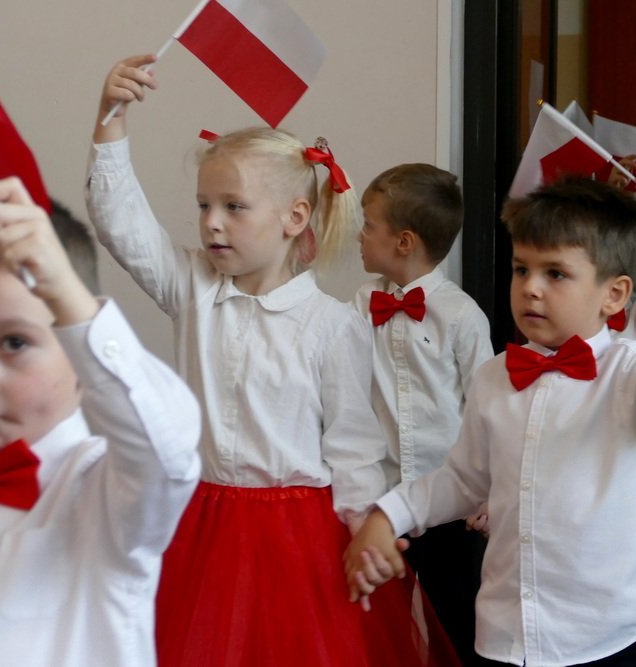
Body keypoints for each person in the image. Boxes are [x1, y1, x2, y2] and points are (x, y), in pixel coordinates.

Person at [85, 54, 452, 666]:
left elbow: (354, 446)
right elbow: (121, 224)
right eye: (204, 206)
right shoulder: (193, 288)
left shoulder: (332, 326)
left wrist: (366, 530)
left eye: (233, 207)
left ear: (294, 218)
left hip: (298, 539)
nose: (211, 223)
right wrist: (111, 118)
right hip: (202, 523)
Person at [344, 176, 636, 667]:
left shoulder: (634, 369)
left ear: (614, 294)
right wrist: (389, 515)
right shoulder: (495, 379)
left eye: (556, 274)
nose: (530, 287)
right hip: (507, 634)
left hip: (612, 636)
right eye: (521, 269)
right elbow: (464, 479)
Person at [0, 177, 201, 666]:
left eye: (15, 343)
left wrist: (65, 292)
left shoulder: (106, 491)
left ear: (78, 353)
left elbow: (166, 450)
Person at [352, 163, 494, 665]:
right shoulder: (360, 306)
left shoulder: (461, 315)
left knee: (456, 622)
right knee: (383, 620)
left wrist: (487, 493)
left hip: (451, 503)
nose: (359, 235)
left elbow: (488, 408)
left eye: (369, 224)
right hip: (386, 499)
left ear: (404, 241)